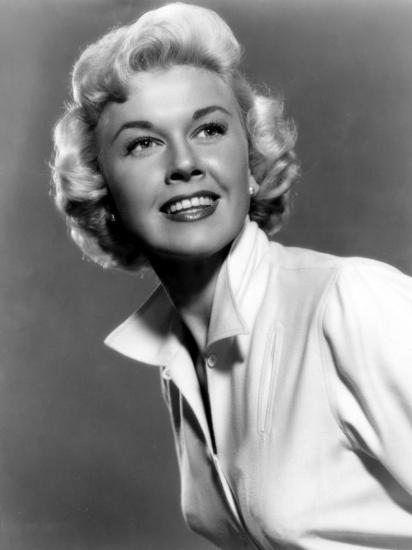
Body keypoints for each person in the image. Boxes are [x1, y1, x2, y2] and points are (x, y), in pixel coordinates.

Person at [51, 3, 412, 549]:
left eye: (209, 129)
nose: (184, 163)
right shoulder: (179, 362)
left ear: (250, 161)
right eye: (143, 143)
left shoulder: (349, 303)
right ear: (104, 191)